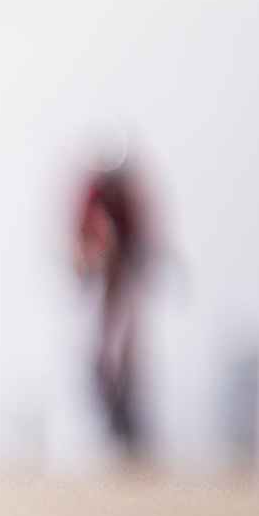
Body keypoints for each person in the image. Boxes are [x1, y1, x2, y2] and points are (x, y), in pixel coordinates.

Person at [72, 159, 156, 456]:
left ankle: (127, 421)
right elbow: (81, 239)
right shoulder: (91, 196)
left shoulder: (127, 198)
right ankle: (108, 419)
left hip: (125, 275)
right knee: (99, 349)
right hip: (98, 278)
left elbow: (144, 235)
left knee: (128, 349)